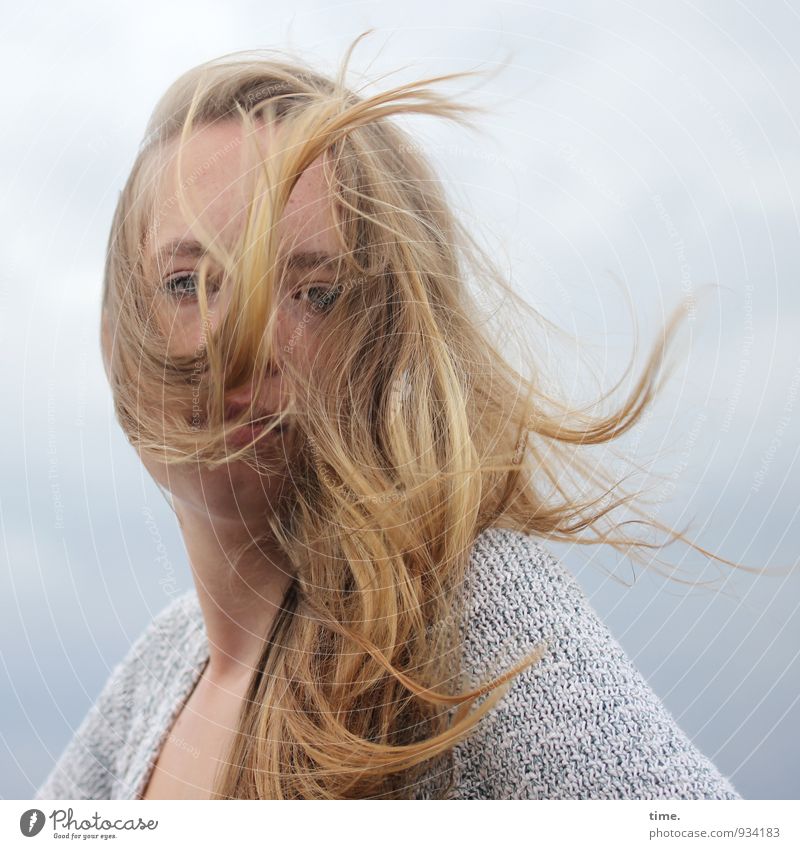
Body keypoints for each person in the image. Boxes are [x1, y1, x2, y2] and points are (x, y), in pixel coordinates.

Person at [36, 35, 743, 801]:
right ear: (119, 325)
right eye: (188, 282)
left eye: (315, 292)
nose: (242, 345)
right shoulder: (160, 672)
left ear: (385, 335)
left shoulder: (468, 607)